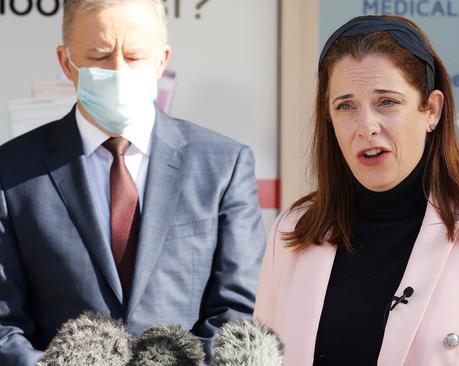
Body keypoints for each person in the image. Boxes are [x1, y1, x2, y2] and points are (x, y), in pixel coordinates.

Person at [254, 15, 459, 366]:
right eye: (345, 106)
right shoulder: (291, 233)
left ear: (431, 111)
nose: (365, 127)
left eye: (387, 102)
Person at [0, 0, 266, 364]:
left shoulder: (223, 165)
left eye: (135, 56)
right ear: (66, 63)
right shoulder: (11, 172)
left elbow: (237, 311)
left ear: (162, 60)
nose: (118, 70)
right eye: (99, 56)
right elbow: (4, 324)